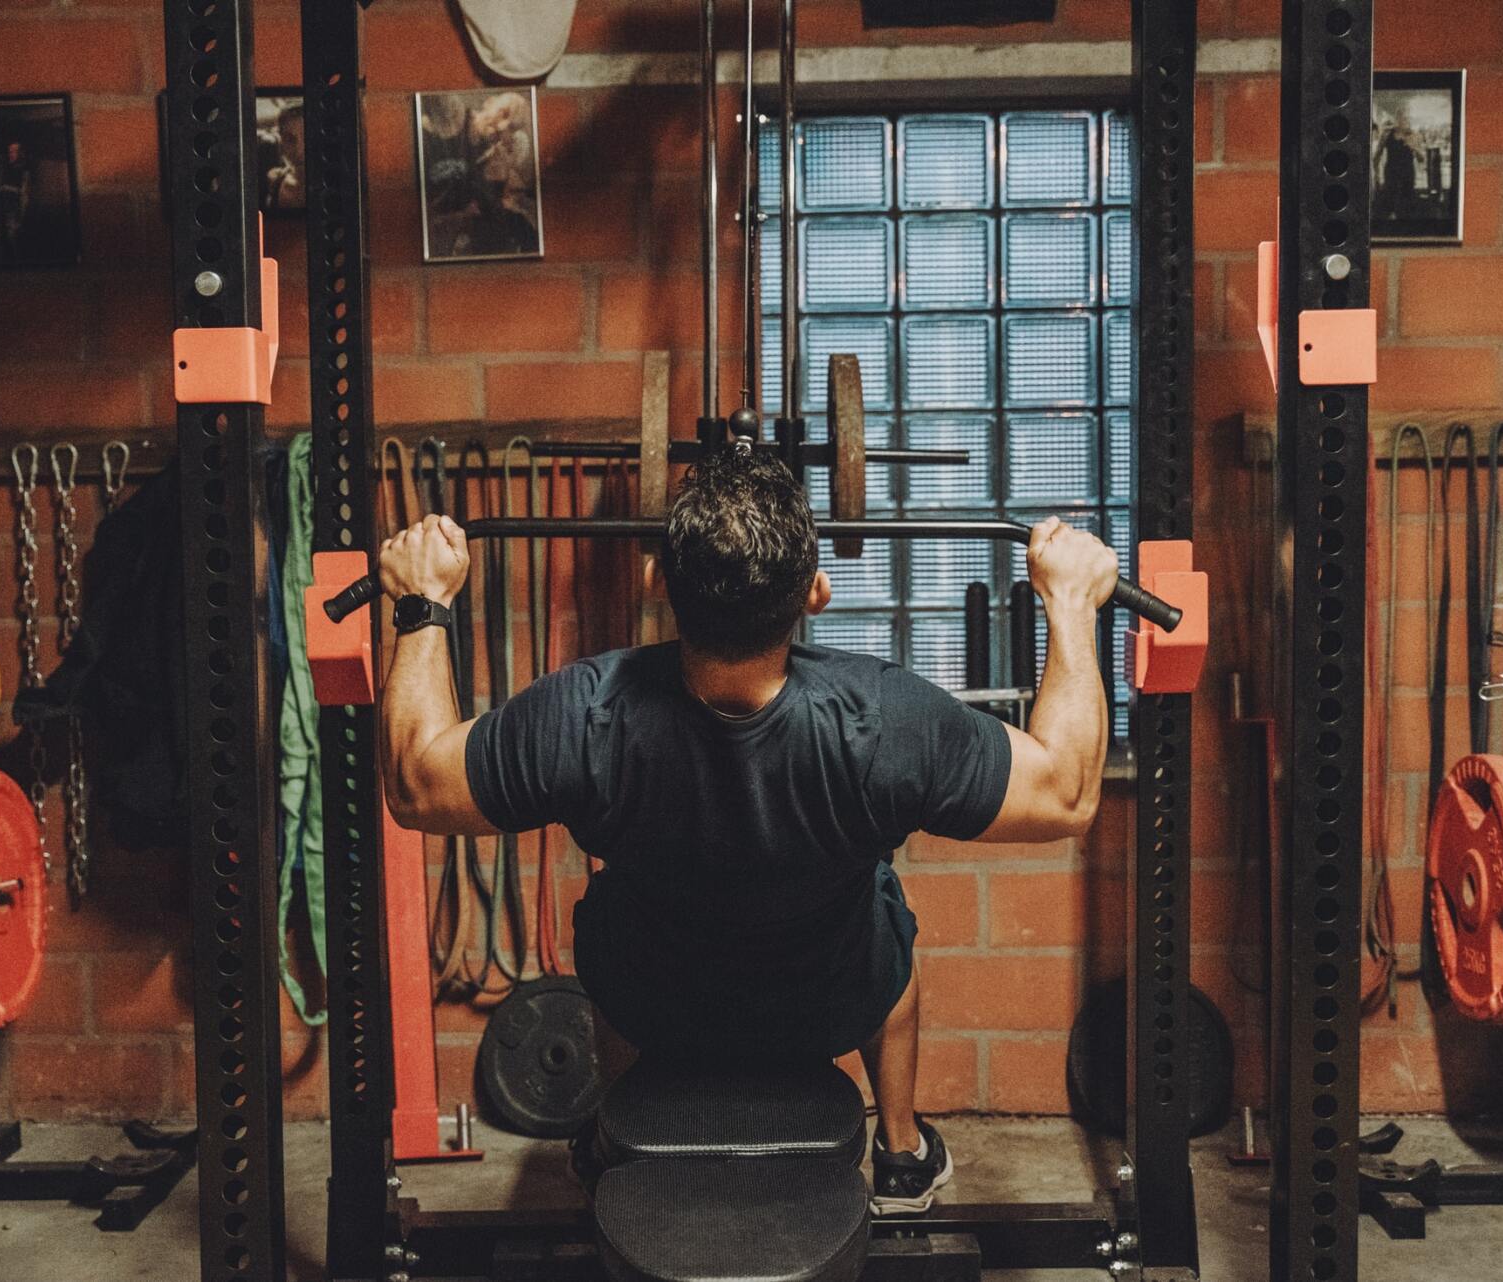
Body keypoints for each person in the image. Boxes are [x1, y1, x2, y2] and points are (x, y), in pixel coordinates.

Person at [376, 447, 1117, 1215]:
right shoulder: (885, 720)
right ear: (815, 594)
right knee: (882, 906)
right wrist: (1069, 603)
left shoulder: (586, 711)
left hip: (658, 1005)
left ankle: (611, 1142)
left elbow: (416, 786)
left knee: (610, 918)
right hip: (825, 1005)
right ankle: (901, 1153)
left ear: (659, 585)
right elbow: (1066, 793)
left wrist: (423, 602)